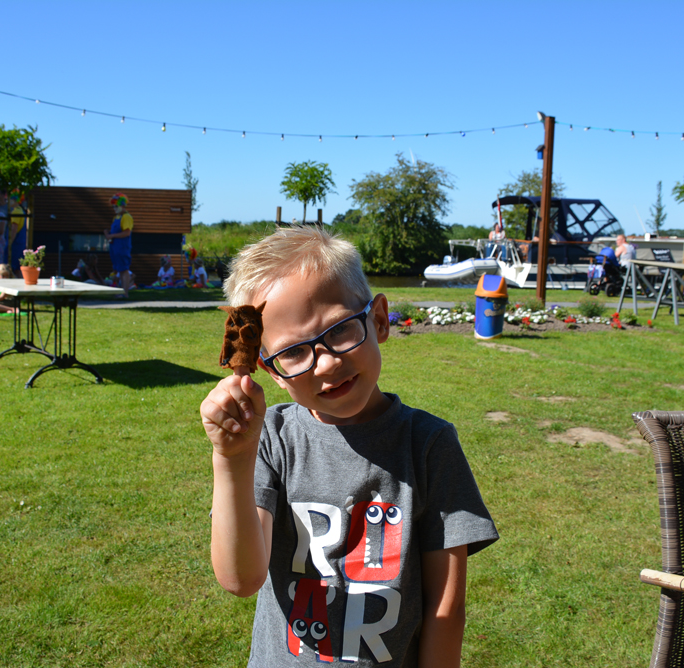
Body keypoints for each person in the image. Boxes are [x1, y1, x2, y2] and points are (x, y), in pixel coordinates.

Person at [200, 225, 499, 666]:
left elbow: (445, 609)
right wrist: (231, 460)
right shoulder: (272, 440)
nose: (326, 363)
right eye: (295, 353)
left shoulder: (428, 445)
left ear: (378, 320)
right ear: (272, 371)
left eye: (339, 331)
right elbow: (241, 578)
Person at [104, 193, 133, 298]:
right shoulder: (116, 218)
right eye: (113, 206)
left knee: (124, 270)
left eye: (116, 206)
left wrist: (112, 235)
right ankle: (121, 291)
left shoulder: (126, 217)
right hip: (115, 247)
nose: (114, 208)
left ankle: (125, 293)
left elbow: (127, 232)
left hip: (122, 247)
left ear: (123, 205)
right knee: (119, 270)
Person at [6, 189, 27, 276]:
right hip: (20, 243)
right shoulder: (21, 211)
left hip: (15, 245)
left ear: (14, 199)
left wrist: (9, 244)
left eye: (9, 199)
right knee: (18, 269)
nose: (7, 201)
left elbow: (14, 230)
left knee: (14, 269)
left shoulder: (16, 212)